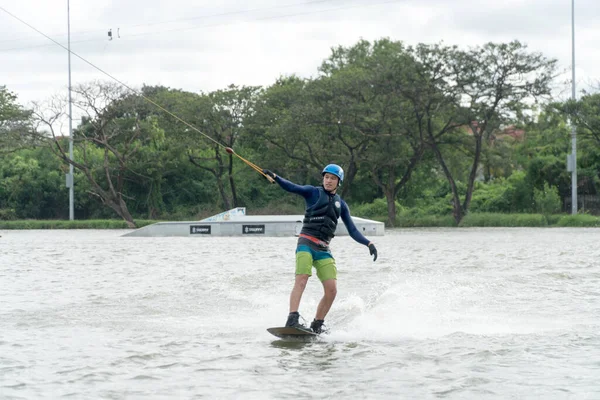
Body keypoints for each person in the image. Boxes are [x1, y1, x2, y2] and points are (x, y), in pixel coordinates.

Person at [262, 164, 378, 334]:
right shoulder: (312, 192)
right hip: (306, 243)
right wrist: (276, 177)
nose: (328, 181)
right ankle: (292, 318)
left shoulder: (341, 204)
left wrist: (369, 243)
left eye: (333, 178)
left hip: (323, 249)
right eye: (326, 177)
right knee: (302, 278)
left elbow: (352, 230)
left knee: (332, 290)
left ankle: (317, 324)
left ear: (339, 182)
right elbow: (292, 187)